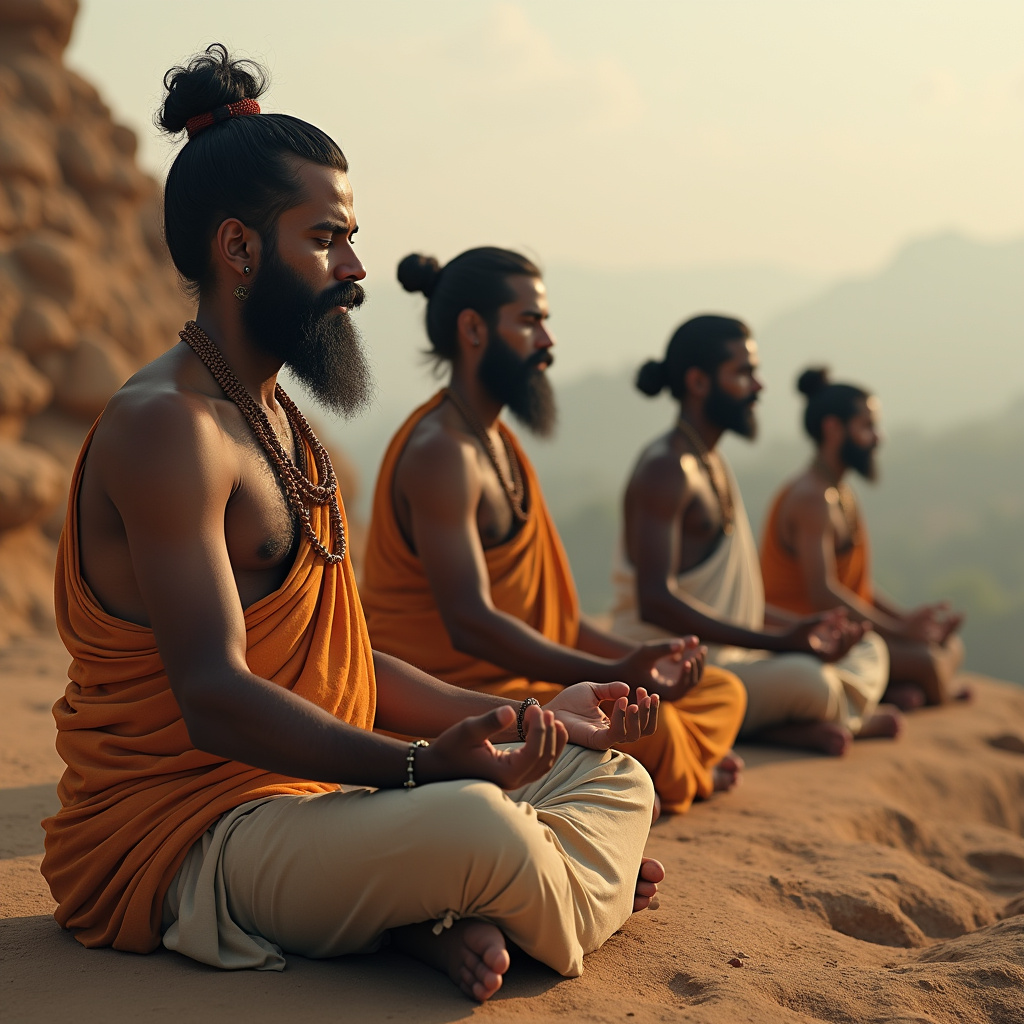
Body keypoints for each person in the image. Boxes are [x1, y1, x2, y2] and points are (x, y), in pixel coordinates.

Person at [40, 45, 666, 1005]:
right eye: (327, 238)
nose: (357, 268)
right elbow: (214, 696)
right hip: (189, 831)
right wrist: (418, 769)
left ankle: (452, 910)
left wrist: (524, 715)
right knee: (479, 829)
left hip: (318, 807)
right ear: (240, 249)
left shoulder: (282, 424)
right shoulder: (165, 428)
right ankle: (534, 886)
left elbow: (348, 670)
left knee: (614, 773)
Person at [360, 249, 748, 815]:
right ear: (473, 329)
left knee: (721, 690)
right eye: (530, 321)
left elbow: (558, 621)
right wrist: (611, 673)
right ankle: (668, 769)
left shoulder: (499, 444)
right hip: (453, 701)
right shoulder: (440, 451)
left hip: (532, 685)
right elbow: (470, 624)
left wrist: (636, 662)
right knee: (646, 730)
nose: (548, 341)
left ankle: (668, 766)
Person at [612, 315, 901, 756]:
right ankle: (812, 718)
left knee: (869, 649)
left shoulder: (712, 462)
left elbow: (730, 607)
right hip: (675, 669)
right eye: (744, 373)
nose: (760, 386)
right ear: (698, 381)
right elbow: (655, 600)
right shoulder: (665, 468)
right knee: (810, 681)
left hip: (735, 660)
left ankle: (788, 721)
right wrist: (779, 642)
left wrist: (799, 629)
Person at [760, 367, 966, 709]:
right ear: (833, 428)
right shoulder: (810, 498)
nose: (878, 437)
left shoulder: (838, 491)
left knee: (950, 646)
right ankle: (931, 689)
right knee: (928, 661)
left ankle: (894, 689)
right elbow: (823, 593)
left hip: (851, 633)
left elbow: (858, 585)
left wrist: (907, 620)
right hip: (806, 640)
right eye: (867, 426)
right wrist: (900, 633)